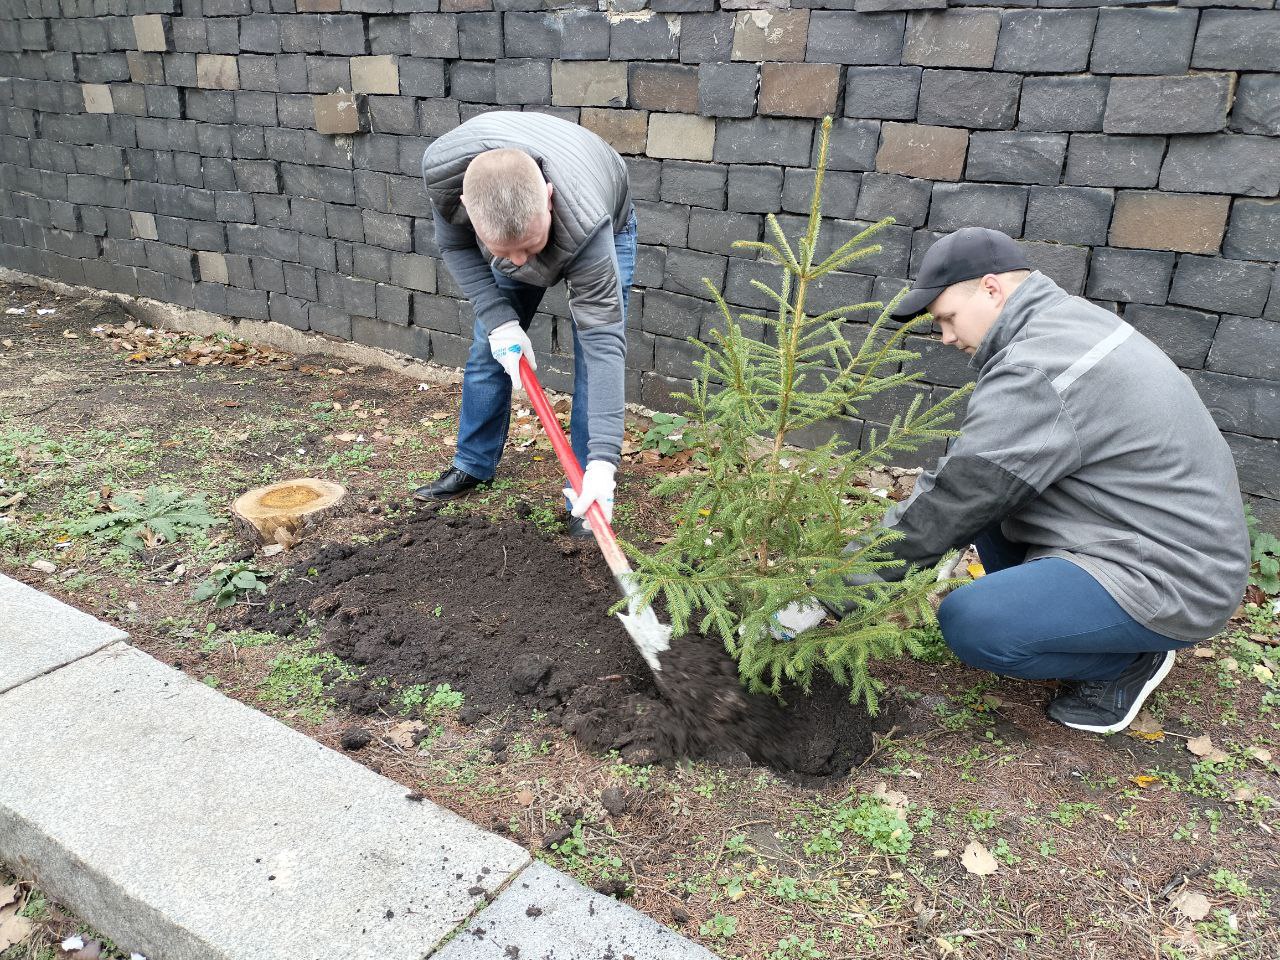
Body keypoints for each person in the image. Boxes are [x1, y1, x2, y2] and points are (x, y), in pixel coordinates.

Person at [818, 227, 1250, 734]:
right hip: (1140, 533)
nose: (947, 338)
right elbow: (970, 475)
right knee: (982, 493)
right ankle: (1080, 619)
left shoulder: (1043, 366)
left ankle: (1129, 662)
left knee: (975, 623)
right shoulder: (1066, 324)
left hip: (1175, 574)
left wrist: (835, 591)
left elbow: (960, 494)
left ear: (991, 288)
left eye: (947, 319)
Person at [414, 112, 636, 538]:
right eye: (505, 251)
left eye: (530, 247)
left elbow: (604, 343)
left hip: (604, 216)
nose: (520, 263)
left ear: (548, 198)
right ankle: (473, 465)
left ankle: (586, 491)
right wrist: (500, 323)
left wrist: (605, 462)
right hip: (526, 212)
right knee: (489, 348)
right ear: (467, 210)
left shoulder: (587, 222)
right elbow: (455, 246)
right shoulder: (445, 175)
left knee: (591, 362)